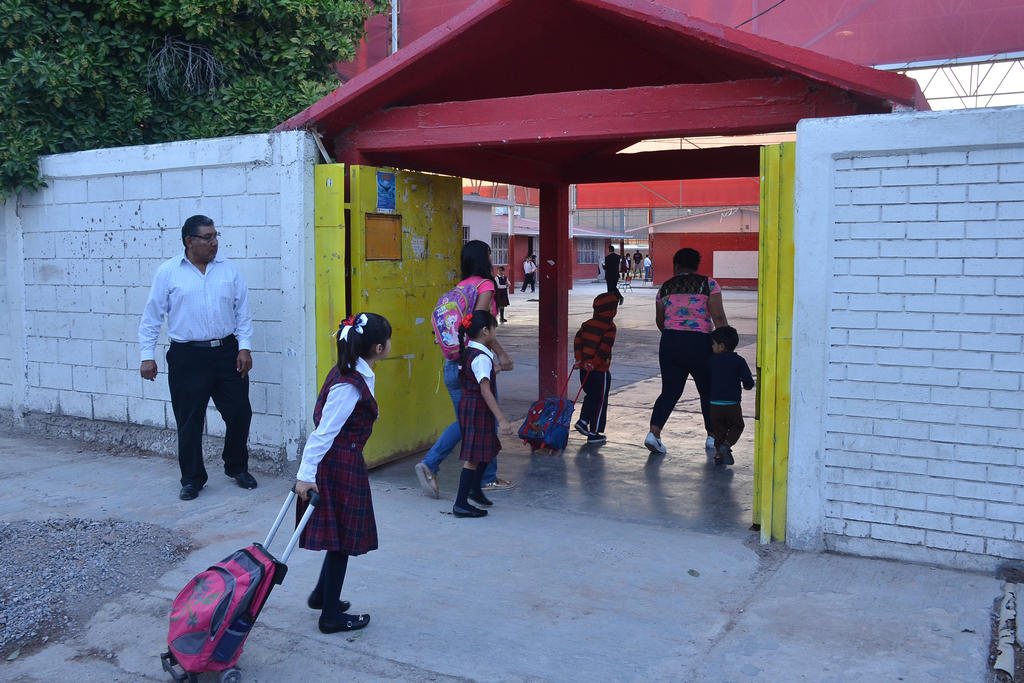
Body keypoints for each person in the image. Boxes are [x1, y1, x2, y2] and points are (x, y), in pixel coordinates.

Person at [139, 214, 257, 501]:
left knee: (240, 413)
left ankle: (236, 466)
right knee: (189, 420)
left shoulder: (228, 270)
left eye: (216, 236)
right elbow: (152, 316)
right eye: (207, 237)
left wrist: (244, 347)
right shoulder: (168, 272)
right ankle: (192, 479)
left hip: (227, 353)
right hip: (187, 355)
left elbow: (242, 311)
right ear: (189, 241)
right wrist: (147, 355)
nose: (214, 242)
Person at [294, 312, 391, 634]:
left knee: (339, 535)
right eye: (388, 340)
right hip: (338, 465)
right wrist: (305, 475)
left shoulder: (350, 372)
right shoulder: (349, 386)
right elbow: (322, 433)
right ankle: (330, 616)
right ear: (379, 348)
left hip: (343, 460)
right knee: (343, 541)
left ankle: (323, 596)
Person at [415, 240, 516, 498]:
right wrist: (501, 354)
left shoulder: (459, 288)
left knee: (469, 420)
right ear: (485, 258)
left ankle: (439, 466)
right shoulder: (485, 285)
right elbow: (480, 326)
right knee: (482, 419)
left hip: (453, 364)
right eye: (490, 255)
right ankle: (480, 477)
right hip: (473, 365)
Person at [644, 248, 728, 455]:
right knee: (707, 390)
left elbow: (660, 319)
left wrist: (674, 336)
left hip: (670, 342)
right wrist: (725, 345)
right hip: (701, 343)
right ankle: (712, 436)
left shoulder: (665, 287)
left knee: (670, 391)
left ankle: (654, 434)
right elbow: (718, 317)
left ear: (676, 265)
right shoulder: (708, 284)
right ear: (696, 265)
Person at [452, 310, 514, 518]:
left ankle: (475, 490)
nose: (496, 333)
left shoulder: (472, 351)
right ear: (485, 331)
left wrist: (497, 369)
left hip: (471, 406)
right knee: (473, 457)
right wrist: (502, 419)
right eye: (494, 329)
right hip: (477, 408)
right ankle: (461, 503)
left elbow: (476, 376)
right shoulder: (481, 358)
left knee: (489, 447)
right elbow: (485, 391)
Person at [572, 293, 618, 445]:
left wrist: (579, 359)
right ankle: (594, 433)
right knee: (600, 401)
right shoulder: (610, 327)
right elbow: (605, 348)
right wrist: (594, 363)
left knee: (591, 396)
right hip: (599, 370)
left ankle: (583, 420)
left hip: (584, 369)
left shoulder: (586, 324)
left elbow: (577, 341)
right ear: (611, 310)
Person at [708, 326, 754, 466]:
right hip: (732, 404)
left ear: (722, 346)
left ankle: (718, 455)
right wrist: (747, 386)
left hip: (714, 404)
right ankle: (727, 445)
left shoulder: (711, 361)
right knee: (737, 425)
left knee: (719, 430)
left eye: (713, 344)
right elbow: (748, 381)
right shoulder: (739, 361)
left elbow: (706, 379)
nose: (712, 347)